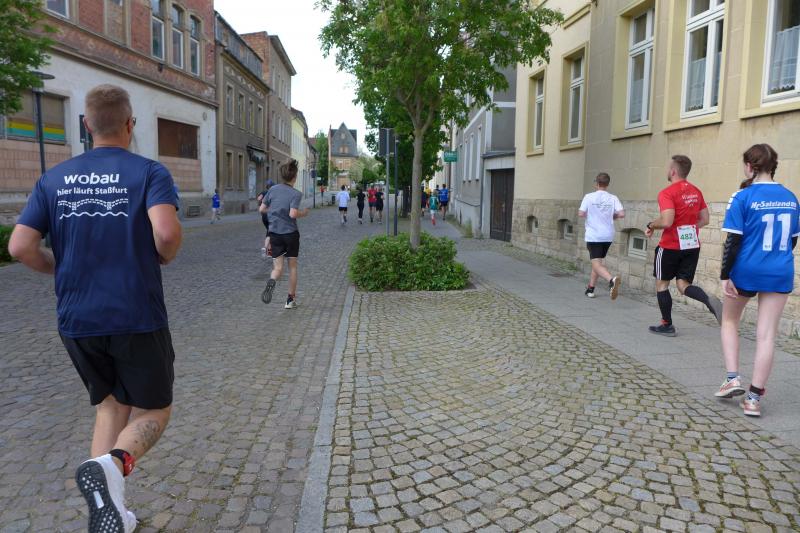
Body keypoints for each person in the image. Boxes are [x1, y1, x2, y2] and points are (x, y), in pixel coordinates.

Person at [8, 84, 181, 533]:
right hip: (135, 313)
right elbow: (165, 233)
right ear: (130, 124)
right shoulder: (149, 172)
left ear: (86, 125)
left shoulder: (53, 179)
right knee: (154, 410)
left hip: (77, 318)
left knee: (110, 405)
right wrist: (163, 255)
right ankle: (115, 463)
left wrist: (58, 266)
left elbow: (20, 246)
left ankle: (112, 515)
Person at [716, 144, 799, 417]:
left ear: (750, 166)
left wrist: (725, 275)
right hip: (780, 270)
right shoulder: (791, 197)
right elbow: (792, 240)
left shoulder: (742, 196)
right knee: (766, 336)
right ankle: (753, 399)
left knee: (730, 320)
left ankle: (732, 378)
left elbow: (733, 241)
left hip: (746, 270)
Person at [645, 155, 723, 336]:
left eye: (668, 168)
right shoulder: (696, 191)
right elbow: (705, 219)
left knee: (662, 285)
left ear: (673, 171)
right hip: (691, 245)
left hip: (670, 246)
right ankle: (708, 300)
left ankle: (667, 325)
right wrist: (689, 228)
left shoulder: (667, 193)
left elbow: (667, 221)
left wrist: (651, 225)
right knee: (683, 285)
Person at [260, 160, 309, 309]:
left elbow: (262, 209)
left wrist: (275, 211)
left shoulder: (272, 190)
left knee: (278, 268)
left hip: (275, 234)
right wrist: (304, 213)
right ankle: (290, 300)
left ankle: (272, 280)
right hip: (290, 234)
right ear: (295, 177)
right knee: (292, 267)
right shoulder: (296, 193)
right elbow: (293, 214)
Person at [578, 172, 624, 300]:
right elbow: (621, 214)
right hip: (607, 236)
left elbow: (581, 213)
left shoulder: (589, 197)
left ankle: (611, 280)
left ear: (597, 183)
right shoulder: (613, 198)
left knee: (596, 264)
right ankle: (590, 289)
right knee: (597, 262)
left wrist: (590, 215)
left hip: (594, 236)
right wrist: (611, 216)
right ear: (607, 184)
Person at [257, 182, 273, 259]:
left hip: (263, 216)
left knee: (269, 232)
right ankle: (265, 247)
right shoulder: (273, 193)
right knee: (270, 233)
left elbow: (258, 199)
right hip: (270, 216)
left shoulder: (263, 192)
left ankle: (269, 253)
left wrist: (260, 205)